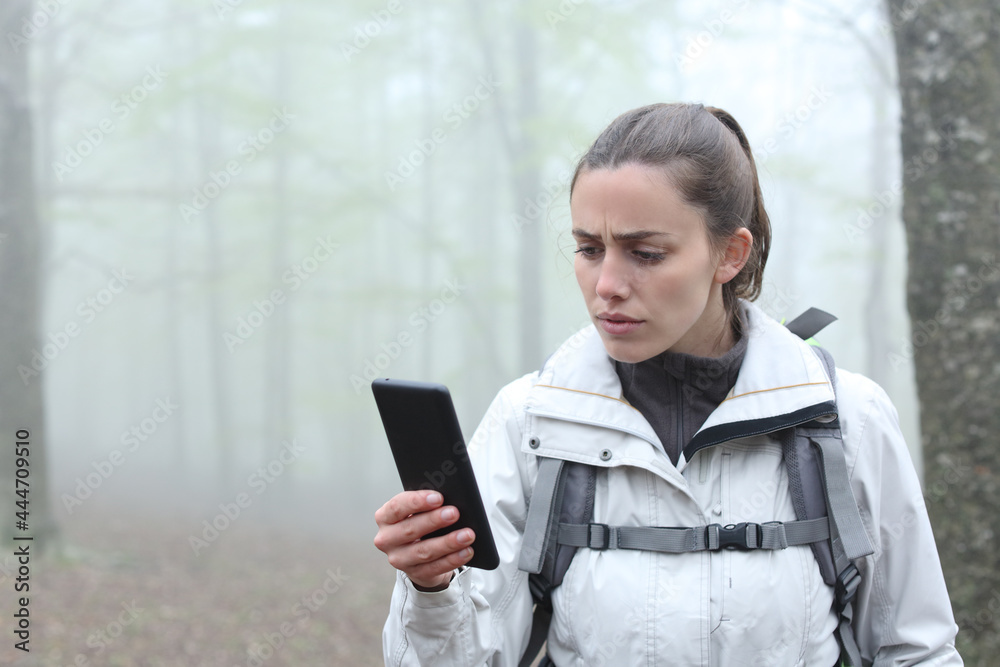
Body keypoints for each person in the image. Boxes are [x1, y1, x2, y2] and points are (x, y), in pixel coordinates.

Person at [373, 103, 962, 666]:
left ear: (729, 254)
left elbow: (918, 651)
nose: (606, 284)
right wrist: (432, 586)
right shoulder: (531, 424)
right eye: (588, 248)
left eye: (646, 253)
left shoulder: (846, 419)